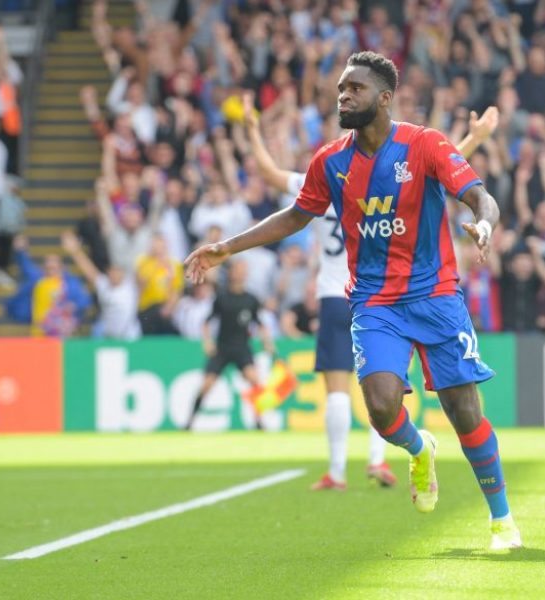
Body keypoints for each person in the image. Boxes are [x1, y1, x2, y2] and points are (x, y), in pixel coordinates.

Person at [186, 52, 519, 550]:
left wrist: (486, 224)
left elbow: (478, 195)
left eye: (355, 89)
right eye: (341, 88)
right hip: (374, 302)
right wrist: (227, 246)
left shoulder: (423, 143)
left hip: (435, 295)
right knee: (383, 408)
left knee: (463, 410)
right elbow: (296, 216)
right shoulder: (330, 161)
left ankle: (502, 520)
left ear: (384, 98)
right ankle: (417, 446)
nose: (343, 96)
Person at [240, 92, 500, 492]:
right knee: (383, 390)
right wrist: (475, 139)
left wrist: (252, 130)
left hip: (349, 292)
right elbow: (415, 174)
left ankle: (339, 469)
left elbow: (272, 175)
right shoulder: (333, 168)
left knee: (346, 390)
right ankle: (381, 459)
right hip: (368, 293)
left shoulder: (329, 173)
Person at [186, 259, 275, 430]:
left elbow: (260, 324)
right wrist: (207, 342)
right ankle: (190, 421)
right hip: (222, 347)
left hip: (242, 347)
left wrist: (267, 342)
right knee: (206, 386)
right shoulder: (222, 298)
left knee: (255, 382)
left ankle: (259, 422)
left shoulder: (251, 299)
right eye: (238, 269)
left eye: (244, 269)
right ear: (231, 273)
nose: (241, 273)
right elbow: (206, 322)